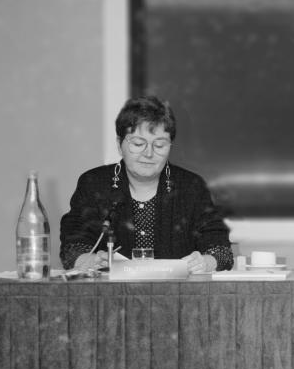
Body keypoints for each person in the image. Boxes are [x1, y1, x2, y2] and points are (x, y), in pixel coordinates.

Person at [60, 95, 233, 273]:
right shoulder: (94, 184)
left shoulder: (191, 186)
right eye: (138, 143)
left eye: (159, 145)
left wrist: (206, 261)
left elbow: (221, 250)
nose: (148, 153)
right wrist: (88, 260)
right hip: (110, 296)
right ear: (120, 145)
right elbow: (72, 245)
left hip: (176, 294)